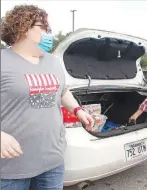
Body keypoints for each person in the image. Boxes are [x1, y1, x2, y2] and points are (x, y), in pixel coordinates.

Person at [1, 5, 95, 190]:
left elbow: (62, 91)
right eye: (42, 27)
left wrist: (77, 110)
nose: (48, 33)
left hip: (52, 163)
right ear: (23, 28)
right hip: (11, 169)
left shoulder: (53, 61)